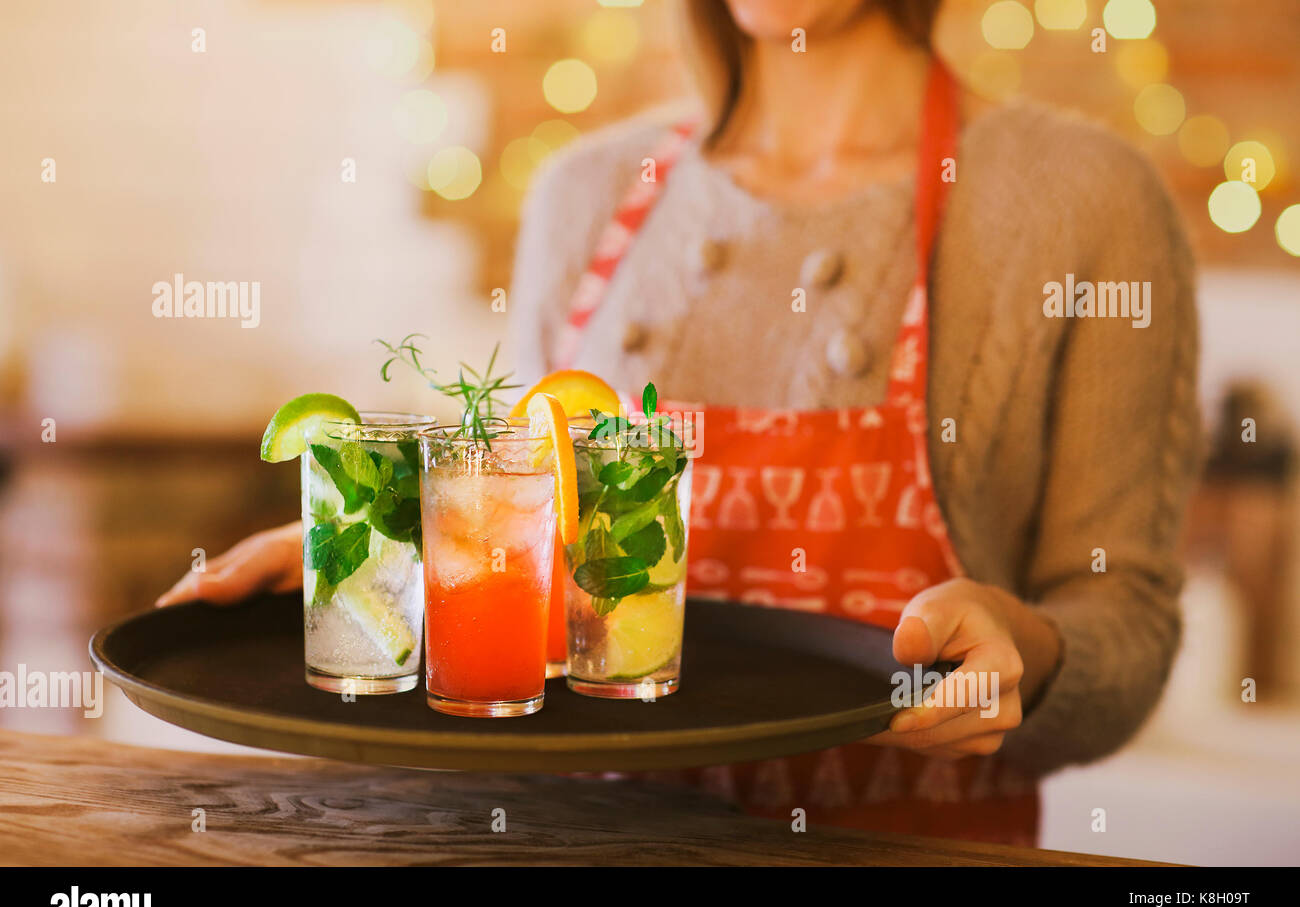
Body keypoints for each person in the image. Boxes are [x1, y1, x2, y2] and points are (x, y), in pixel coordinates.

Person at [160, 0, 1200, 845]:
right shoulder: (582, 194)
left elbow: (1130, 621)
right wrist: (375, 558)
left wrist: (1031, 645)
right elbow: (528, 547)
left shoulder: (1083, 201)